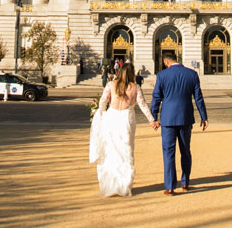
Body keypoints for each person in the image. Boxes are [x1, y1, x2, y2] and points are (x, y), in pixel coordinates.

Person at [89, 63, 155, 197]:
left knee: (110, 151)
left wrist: (100, 114)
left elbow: (102, 102)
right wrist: (151, 120)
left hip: (112, 118)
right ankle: (124, 186)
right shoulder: (135, 87)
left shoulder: (110, 85)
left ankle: (109, 184)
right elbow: (143, 105)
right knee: (125, 151)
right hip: (126, 119)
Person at [150, 50, 208, 195]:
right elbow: (198, 98)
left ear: (165, 62)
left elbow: (156, 98)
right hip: (185, 117)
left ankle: (169, 186)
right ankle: (185, 182)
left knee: (168, 152)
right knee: (185, 151)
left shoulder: (162, 75)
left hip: (168, 119)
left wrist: (154, 118)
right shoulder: (192, 74)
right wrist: (204, 116)